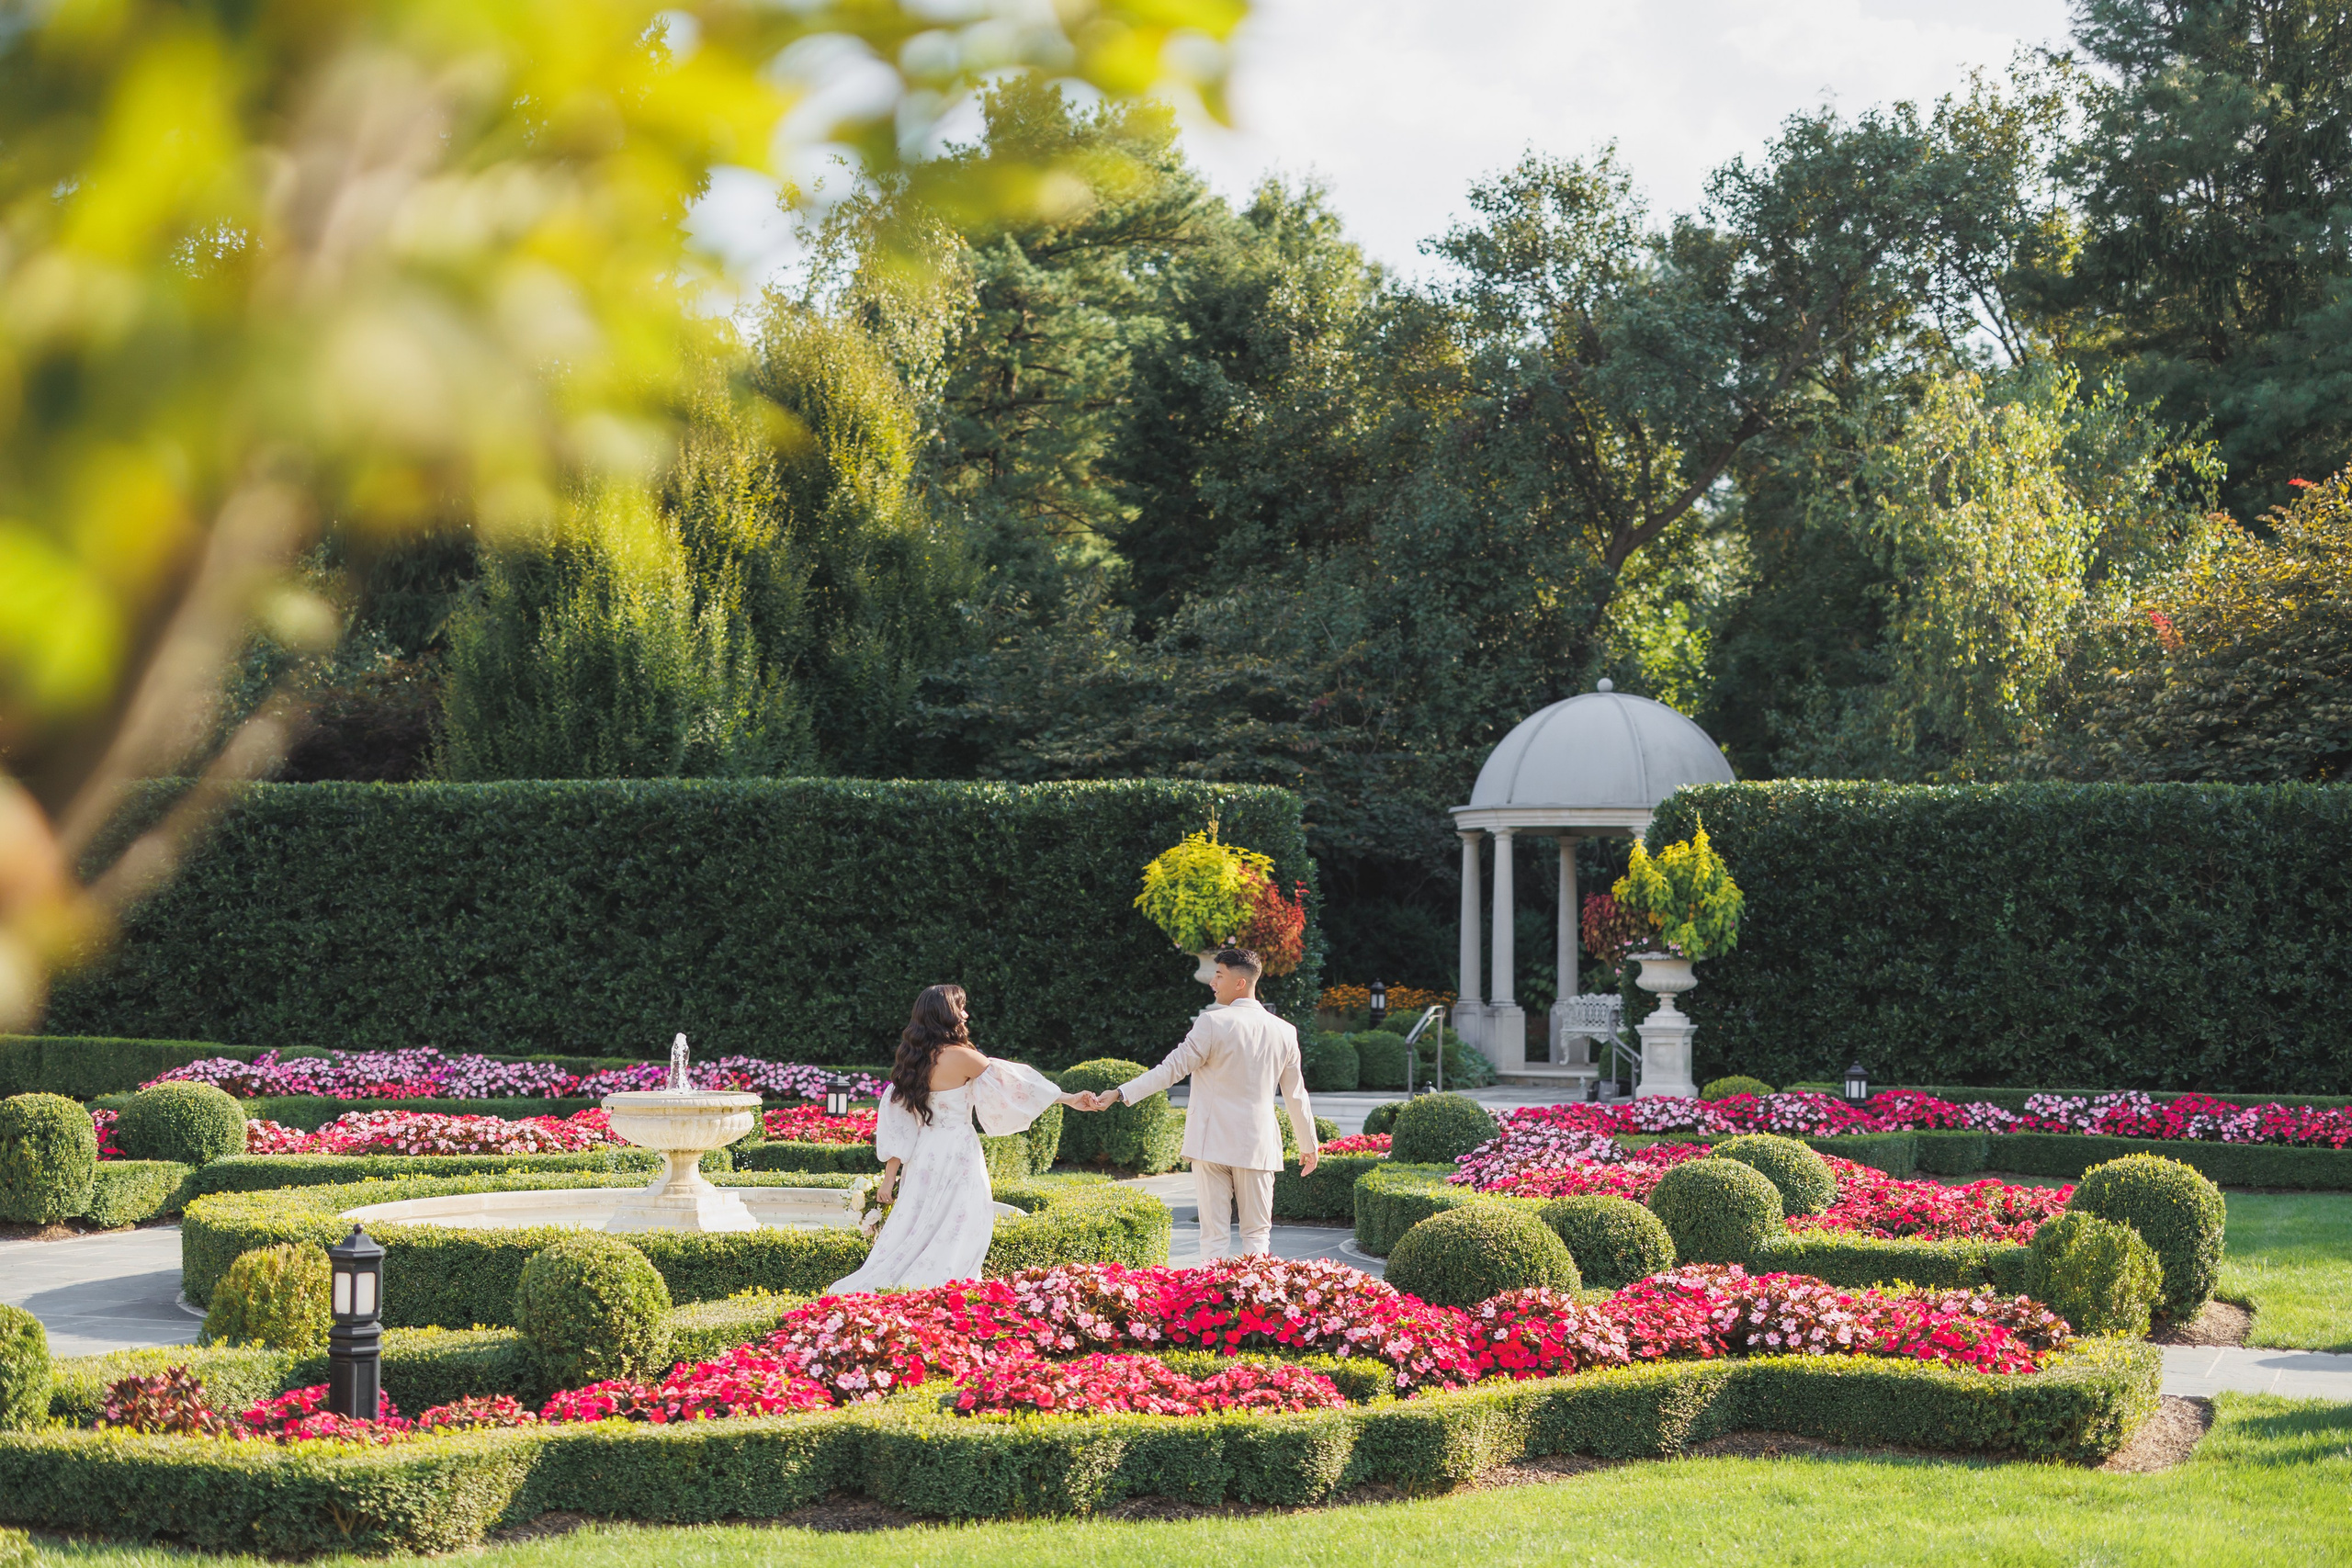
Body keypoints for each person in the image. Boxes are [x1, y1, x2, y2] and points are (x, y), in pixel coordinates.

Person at [824, 983, 1090, 1294]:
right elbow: (1018, 1086)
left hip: (924, 1154)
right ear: (947, 1014)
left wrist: (889, 1179)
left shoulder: (912, 1061)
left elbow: (899, 1125)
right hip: (958, 1150)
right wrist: (1068, 1098)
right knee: (964, 1221)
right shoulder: (963, 1056)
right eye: (961, 1007)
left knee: (916, 1222)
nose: (966, 1013)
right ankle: (947, 1285)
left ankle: (912, 1285)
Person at [1074, 946, 1317, 1258]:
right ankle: (1255, 1301)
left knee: (1213, 1235)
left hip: (1210, 1142)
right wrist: (1308, 1144)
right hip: (1258, 1144)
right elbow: (1296, 1093)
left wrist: (1121, 1093)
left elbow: (1170, 1070)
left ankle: (1209, 1303)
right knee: (1257, 1234)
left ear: (1240, 983)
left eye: (1219, 976)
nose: (1212, 983)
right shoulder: (1285, 1031)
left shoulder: (1212, 1023)